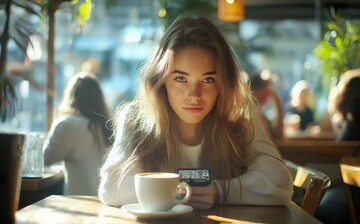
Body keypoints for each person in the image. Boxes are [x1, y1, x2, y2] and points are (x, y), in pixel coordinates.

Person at [98, 16, 293, 210]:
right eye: (181, 79)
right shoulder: (135, 119)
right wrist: (183, 193)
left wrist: (219, 192)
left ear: (223, 84)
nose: (194, 95)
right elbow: (112, 187)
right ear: (161, 80)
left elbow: (280, 184)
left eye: (208, 80)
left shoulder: (240, 118)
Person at [43, 71, 112, 195]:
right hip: (106, 205)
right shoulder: (107, 126)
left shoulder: (67, 124)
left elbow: (44, 158)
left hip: (80, 207)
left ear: (72, 96)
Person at [315, 68, 360, 224]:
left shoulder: (353, 116)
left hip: (355, 188)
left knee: (321, 208)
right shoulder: (353, 117)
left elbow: (342, 146)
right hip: (353, 185)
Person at [248, 71, 284, 141]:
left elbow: (278, 136)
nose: (270, 90)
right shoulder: (251, 113)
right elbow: (279, 138)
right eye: (268, 87)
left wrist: (276, 102)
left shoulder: (257, 111)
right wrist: (277, 102)